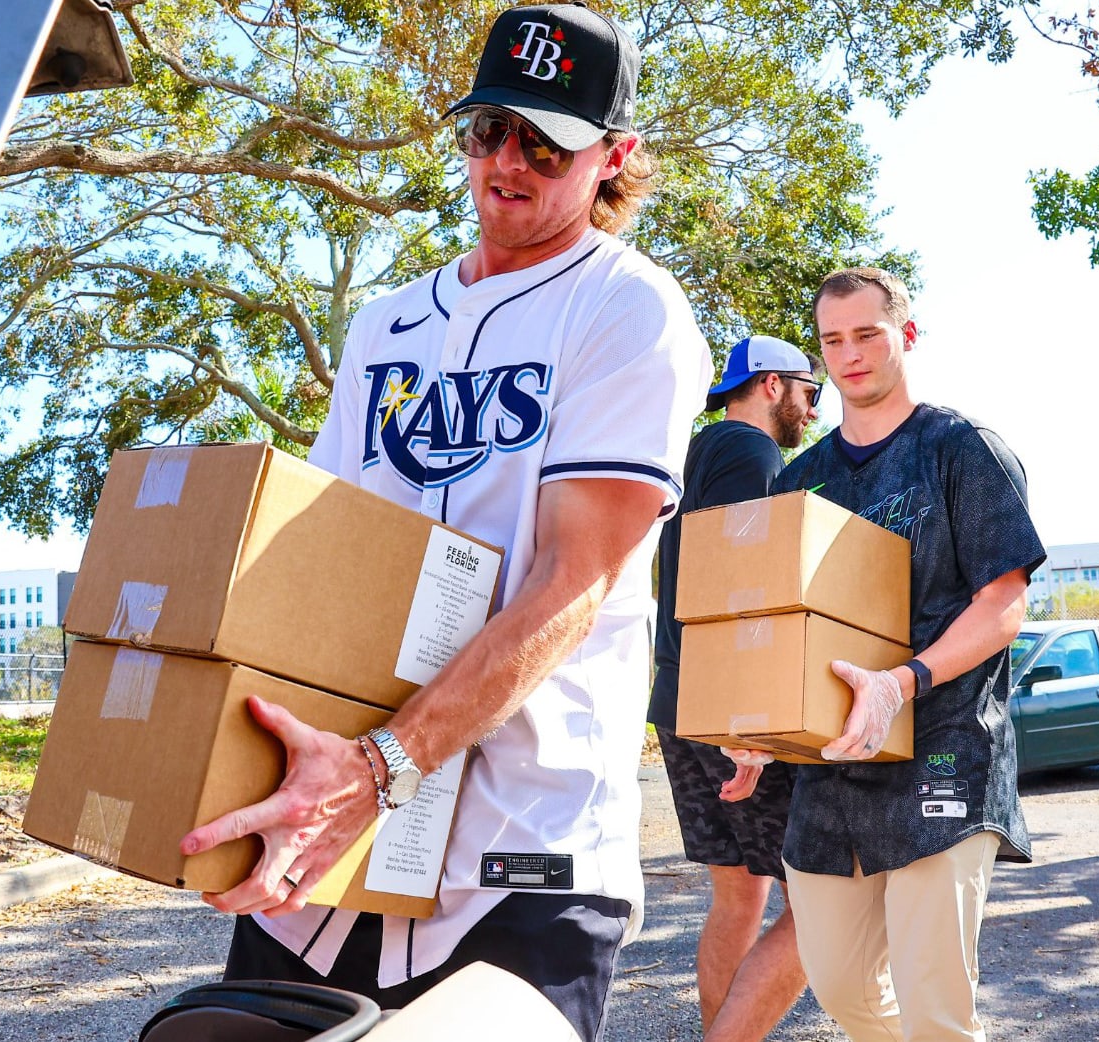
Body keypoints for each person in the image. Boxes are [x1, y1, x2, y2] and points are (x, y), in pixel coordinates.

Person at [177, 5, 710, 1039]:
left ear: (615, 155)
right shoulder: (386, 325)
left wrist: (378, 769)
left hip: (527, 835)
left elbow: (575, 580)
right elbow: (323, 561)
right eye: (487, 130)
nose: (508, 161)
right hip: (346, 838)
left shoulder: (628, 309)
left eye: (546, 142)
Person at [753, 267, 1045, 1042]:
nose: (849, 355)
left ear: (905, 335)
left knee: (935, 1010)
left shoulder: (960, 449)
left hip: (942, 756)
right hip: (830, 772)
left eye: (866, 334)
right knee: (842, 985)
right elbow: (783, 624)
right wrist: (760, 728)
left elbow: (1003, 604)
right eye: (831, 341)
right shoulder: (802, 478)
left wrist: (902, 681)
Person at [647, 334, 817, 1041]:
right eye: (811, 391)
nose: (813, 409)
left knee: (737, 895)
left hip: (677, 698)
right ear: (773, 385)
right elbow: (743, 576)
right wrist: (748, 727)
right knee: (826, 901)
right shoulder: (750, 453)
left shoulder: (689, 457)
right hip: (726, 704)